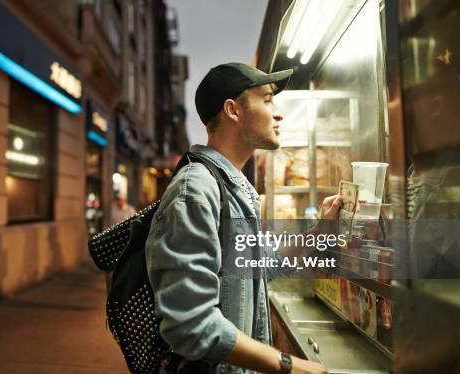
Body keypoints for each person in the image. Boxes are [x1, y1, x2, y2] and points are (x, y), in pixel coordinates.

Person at [145, 63, 342, 374]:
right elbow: (190, 325)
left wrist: (323, 229)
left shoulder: (235, 191)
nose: (278, 113)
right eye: (266, 100)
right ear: (232, 110)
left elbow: (266, 264)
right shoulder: (195, 191)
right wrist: (287, 366)